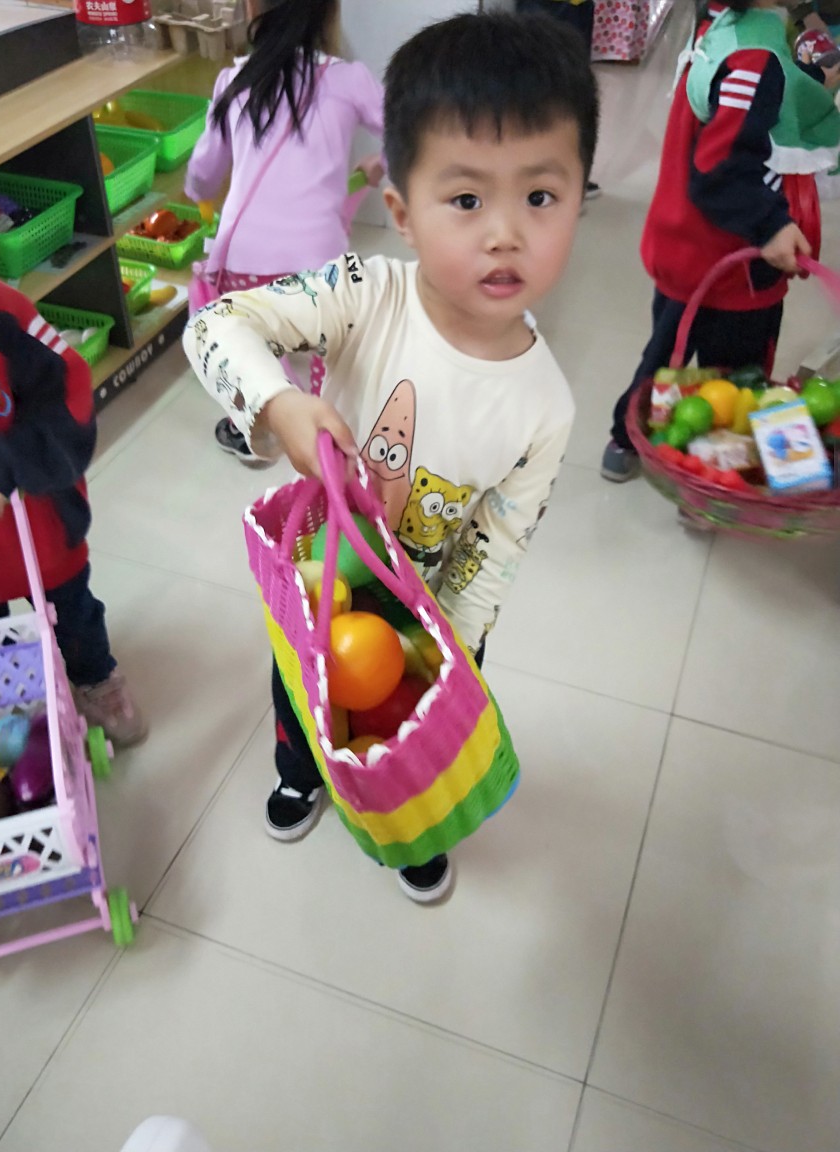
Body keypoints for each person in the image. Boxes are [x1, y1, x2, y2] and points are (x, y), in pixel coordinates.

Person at [184, 10, 598, 902]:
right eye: (466, 199)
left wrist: (448, 651)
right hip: (320, 581)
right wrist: (280, 402)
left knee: (410, 741)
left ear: (580, 197)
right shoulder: (365, 292)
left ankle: (412, 823)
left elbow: (496, 549)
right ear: (402, 214)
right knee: (302, 696)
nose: (505, 233)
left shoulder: (547, 405)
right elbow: (217, 325)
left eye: (540, 196)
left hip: (429, 616)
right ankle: (300, 770)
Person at [600, 0, 840, 483]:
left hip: (680, 242)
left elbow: (748, 108)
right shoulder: (756, 58)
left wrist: (816, 77)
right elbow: (721, 167)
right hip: (732, 261)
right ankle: (712, 482)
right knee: (735, 382)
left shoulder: (721, 25)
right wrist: (771, 226)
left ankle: (625, 439)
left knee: (665, 354)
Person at [184, 0, 384, 466]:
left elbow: (203, 175)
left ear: (252, 6)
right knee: (327, 342)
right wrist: (382, 162)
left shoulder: (234, 81)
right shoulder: (349, 80)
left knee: (249, 347)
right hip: (320, 267)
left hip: (243, 263)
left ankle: (259, 427)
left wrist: (197, 193)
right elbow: (413, 133)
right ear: (330, 11)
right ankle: (330, 424)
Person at [0, 272, 147, 747]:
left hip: (36, 520)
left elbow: (68, 388)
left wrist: (4, 464)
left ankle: (95, 678)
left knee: (71, 611)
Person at [515, 0, 601, 197]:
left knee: (573, 91)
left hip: (576, 6)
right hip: (549, 7)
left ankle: (564, 174)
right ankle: (537, 176)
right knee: (543, 92)